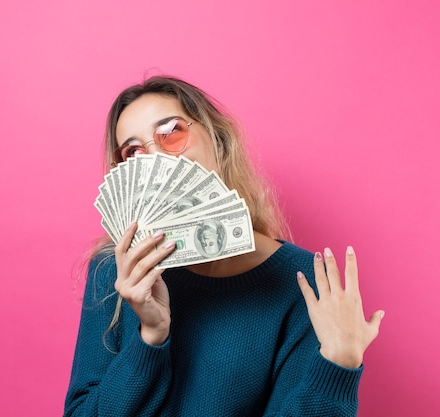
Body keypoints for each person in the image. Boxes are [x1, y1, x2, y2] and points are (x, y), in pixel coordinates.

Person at [64, 76, 383, 416]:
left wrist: (338, 366)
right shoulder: (115, 269)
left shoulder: (301, 283)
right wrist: (150, 337)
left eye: (171, 132)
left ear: (217, 139)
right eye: (134, 152)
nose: (155, 160)